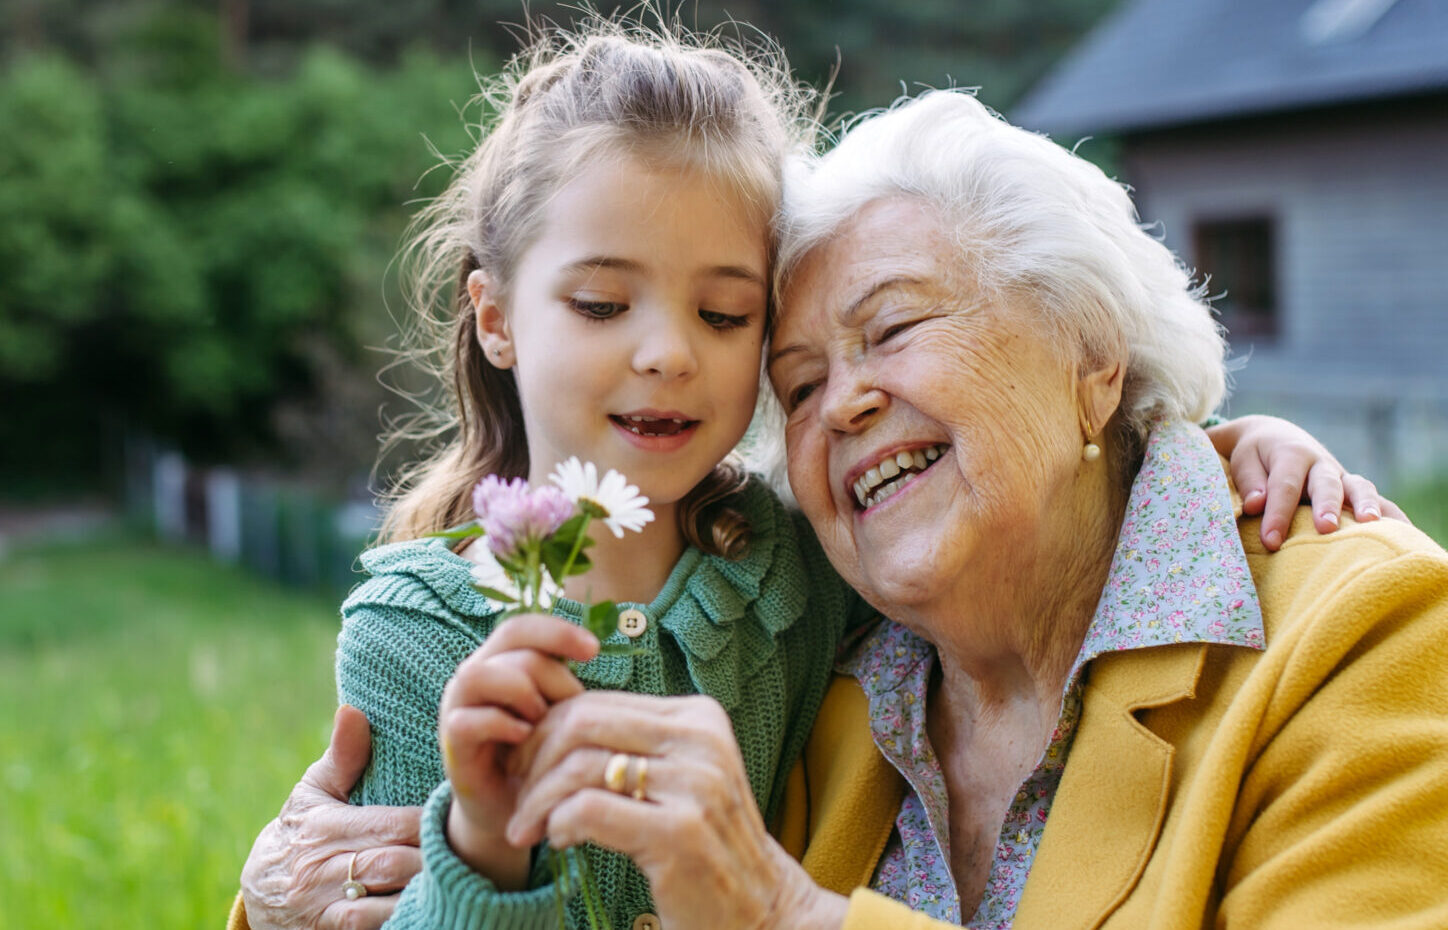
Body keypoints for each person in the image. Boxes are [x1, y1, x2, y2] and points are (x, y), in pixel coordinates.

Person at [228, 35, 1404, 930]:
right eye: (794, 383)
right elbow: (369, 868)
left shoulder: (1355, 631)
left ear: (1090, 359)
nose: (837, 403)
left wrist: (1208, 439)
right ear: (494, 317)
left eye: (892, 330)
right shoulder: (864, 649)